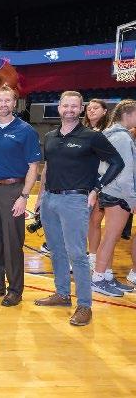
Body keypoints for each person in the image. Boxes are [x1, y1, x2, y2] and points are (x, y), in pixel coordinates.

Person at [34, 91, 123, 326]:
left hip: (75, 201)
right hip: (50, 200)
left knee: (77, 254)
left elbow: (117, 162)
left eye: (74, 106)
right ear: (59, 108)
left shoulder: (91, 137)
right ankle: (62, 294)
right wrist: (41, 197)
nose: (69, 110)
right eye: (66, 106)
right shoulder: (50, 136)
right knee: (56, 250)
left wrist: (96, 189)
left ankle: (85, 305)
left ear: (81, 108)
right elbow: (49, 168)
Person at [0, 85, 41, 306]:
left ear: (14, 103)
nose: (3, 104)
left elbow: (33, 167)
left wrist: (24, 196)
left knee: (12, 242)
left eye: (7, 100)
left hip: (14, 190)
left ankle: (15, 289)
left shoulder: (26, 130)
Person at [90, 99, 136, 297]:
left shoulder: (112, 133)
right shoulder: (123, 138)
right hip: (118, 192)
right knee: (110, 237)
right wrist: (132, 199)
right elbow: (125, 173)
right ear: (127, 114)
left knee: (111, 236)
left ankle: (107, 276)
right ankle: (98, 279)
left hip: (110, 190)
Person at [85, 99, 110, 265]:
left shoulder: (109, 132)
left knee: (97, 221)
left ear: (105, 111)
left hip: (105, 181)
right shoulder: (83, 131)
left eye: (96, 108)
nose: (91, 111)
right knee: (89, 222)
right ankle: (91, 256)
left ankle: (97, 260)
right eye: (89, 108)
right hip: (86, 180)